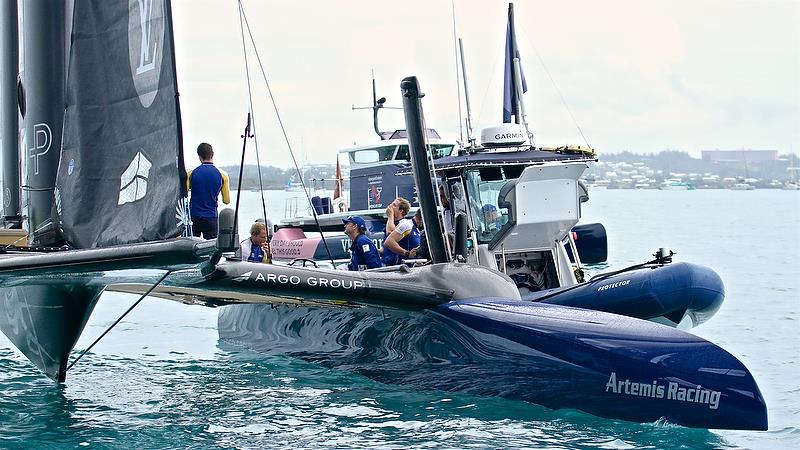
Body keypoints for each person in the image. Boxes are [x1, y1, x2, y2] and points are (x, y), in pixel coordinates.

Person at [187, 142, 230, 239]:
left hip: (194, 217)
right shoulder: (222, 175)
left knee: (189, 249)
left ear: (199, 156)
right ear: (213, 154)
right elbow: (226, 201)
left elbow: (184, 192)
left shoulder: (191, 173)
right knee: (211, 248)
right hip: (211, 217)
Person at [381, 197, 419, 266]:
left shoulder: (404, 223)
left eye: (394, 205)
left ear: (401, 211)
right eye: (392, 204)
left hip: (399, 266)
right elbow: (385, 249)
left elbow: (390, 233)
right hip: (388, 265)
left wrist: (390, 216)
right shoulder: (390, 223)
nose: (390, 206)